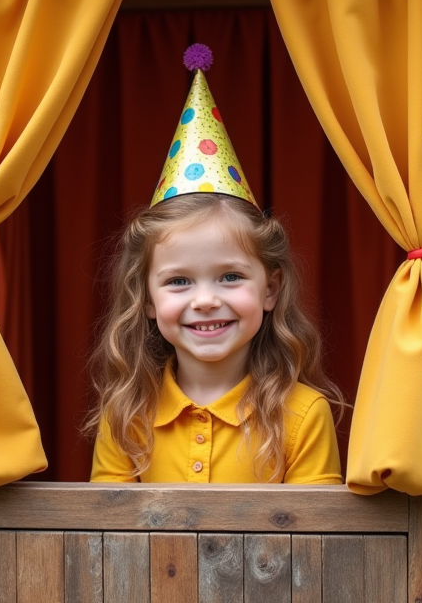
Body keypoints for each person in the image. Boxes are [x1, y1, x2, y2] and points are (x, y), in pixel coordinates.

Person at [86, 44, 345, 484]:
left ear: (270, 289)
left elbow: (316, 550)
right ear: (145, 298)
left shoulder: (303, 417)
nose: (205, 300)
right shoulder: (125, 416)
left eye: (230, 277)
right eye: (179, 281)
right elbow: (110, 546)